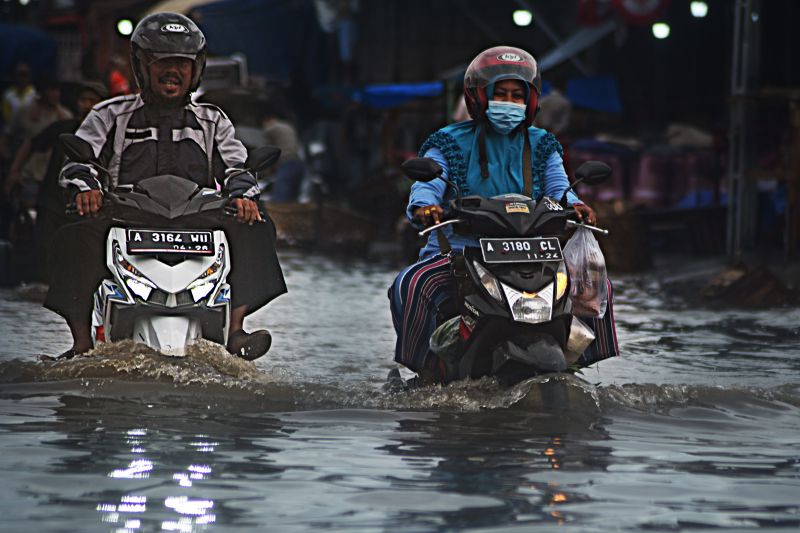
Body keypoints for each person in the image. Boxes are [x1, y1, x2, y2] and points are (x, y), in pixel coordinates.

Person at [44, 12, 287, 360]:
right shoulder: (109, 113)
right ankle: (81, 341)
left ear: (195, 70)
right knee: (70, 236)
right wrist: (87, 189)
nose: (172, 71)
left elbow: (238, 166)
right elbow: (80, 161)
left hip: (198, 218)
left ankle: (235, 330)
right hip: (122, 217)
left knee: (258, 226)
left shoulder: (213, 119)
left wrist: (243, 196)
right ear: (142, 66)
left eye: (182, 64)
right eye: (162, 62)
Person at [388, 46, 606, 384]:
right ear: (479, 97)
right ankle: (426, 371)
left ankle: (583, 360)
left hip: (534, 253)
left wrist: (575, 205)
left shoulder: (543, 143)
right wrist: (424, 207)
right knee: (412, 284)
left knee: (595, 281)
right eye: (500, 94)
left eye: (516, 95)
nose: (509, 102)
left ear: (530, 100)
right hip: (462, 252)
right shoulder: (448, 141)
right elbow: (428, 183)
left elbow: (560, 188)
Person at [261, 102, 305, 202]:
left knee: (279, 201)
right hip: (299, 164)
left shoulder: (270, 129)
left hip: (287, 164)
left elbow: (266, 153)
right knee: (292, 201)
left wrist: (264, 171)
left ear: (267, 120)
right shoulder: (288, 126)